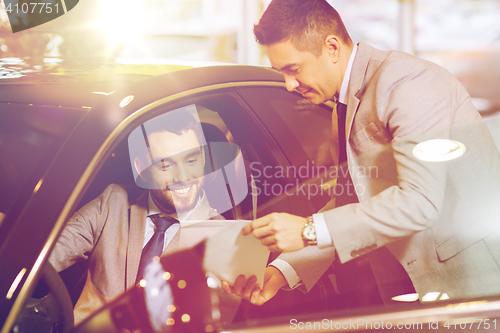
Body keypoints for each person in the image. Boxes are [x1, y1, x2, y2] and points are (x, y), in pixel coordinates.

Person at [224, 0, 500, 307]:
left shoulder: (407, 83)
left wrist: (307, 230)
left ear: (331, 48)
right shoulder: (345, 100)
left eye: (294, 69)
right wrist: (282, 271)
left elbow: (420, 202)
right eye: (282, 72)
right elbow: (353, 200)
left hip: (470, 285)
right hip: (412, 293)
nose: (289, 84)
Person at [49, 108, 240, 325]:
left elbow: (212, 324)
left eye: (191, 160)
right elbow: (47, 253)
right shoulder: (112, 201)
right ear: (142, 169)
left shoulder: (225, 239)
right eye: (166, 165)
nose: (183, 177)